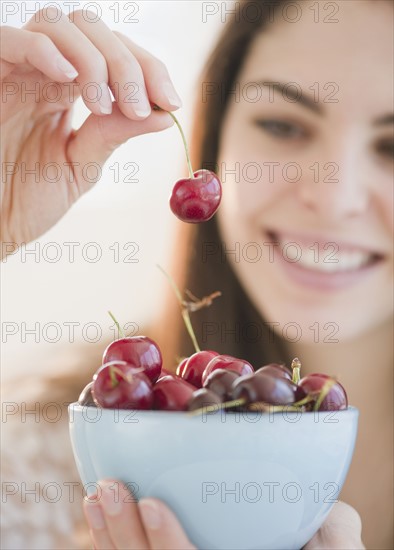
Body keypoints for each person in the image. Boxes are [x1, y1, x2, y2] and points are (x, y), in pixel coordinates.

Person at [1, 0, 392, 548]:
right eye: (282, 124)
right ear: (216, 140)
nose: (332, 198)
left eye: (392, 147)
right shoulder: (40, 461)